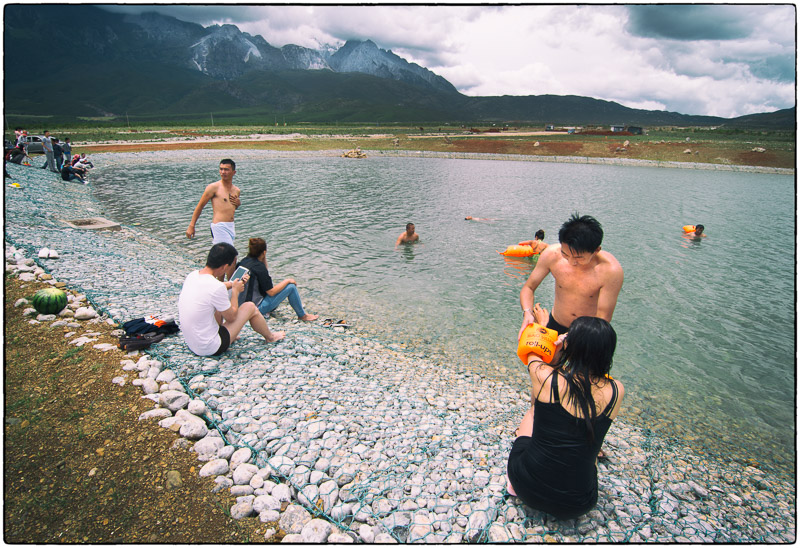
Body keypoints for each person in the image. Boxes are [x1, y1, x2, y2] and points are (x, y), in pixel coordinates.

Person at [507, 315, 625, 519]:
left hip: (526, 486)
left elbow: (532, 349)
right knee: (587, 444)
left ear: (572, 347)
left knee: (534, 410)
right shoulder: (616, 391)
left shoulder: (547, 379)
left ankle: (512, 485)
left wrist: (544, 331)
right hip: (578, 503)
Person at [519, 213, 623, 338]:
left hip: (588, 332)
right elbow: (529, 288)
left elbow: (603, 318)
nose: (571, 262)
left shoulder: (610, 271)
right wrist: (527, 312)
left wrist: (569, 339)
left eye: (579, 258)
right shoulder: (551, 255)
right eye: (566, 254)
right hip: (556, 323)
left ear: (596, 250)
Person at [178, 243, 285, 357]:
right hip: (210, 347)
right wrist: (235, 291)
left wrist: (233, 284)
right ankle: (271, 337)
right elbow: (232, 317)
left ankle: (230, 334)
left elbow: (214, 288)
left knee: (217, 306)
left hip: (193, 342)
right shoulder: (216, 288)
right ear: (224, 267)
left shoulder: (193, 275)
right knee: (250, 307)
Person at [236, 237, 319, 321]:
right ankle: (302, 316)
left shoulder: (243, 262)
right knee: (291, 287)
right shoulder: (259, 267)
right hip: (254, 309)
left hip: (239, 306)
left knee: (279, 288)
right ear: (264, 252)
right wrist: (287, 281)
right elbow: (271, 292)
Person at [186, 158, 241, 247]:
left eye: (226, 169)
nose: (223, 172)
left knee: (228, 257)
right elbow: (200, 206)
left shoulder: (236, 190)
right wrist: (191, 225)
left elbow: (230, 207)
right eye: (221, 169)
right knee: (230, 255)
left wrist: (238, 204)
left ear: (234, 172)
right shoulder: (213, 187)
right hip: (219, 226)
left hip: (231, 226)